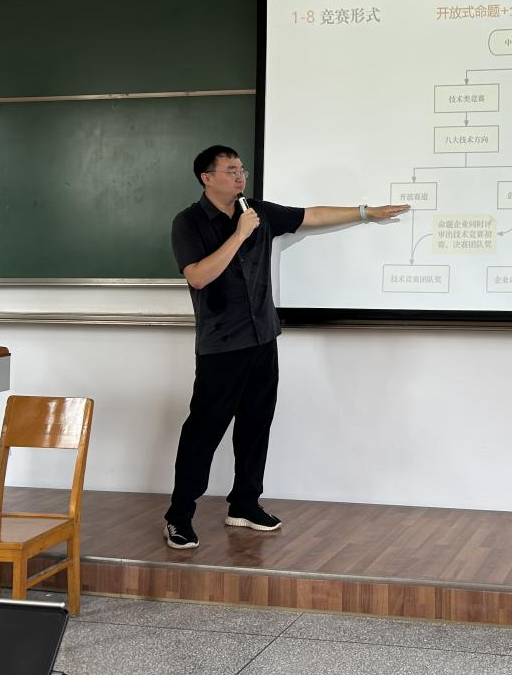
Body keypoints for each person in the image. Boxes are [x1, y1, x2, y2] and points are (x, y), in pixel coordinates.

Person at [163, 144, 408, 549]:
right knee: (203, 432)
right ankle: (178, 517)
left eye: (242, 169)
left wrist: (366, 212)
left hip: (263, 338)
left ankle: (244, 504)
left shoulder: (256, 211)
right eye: (230, 170)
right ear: (207, 178)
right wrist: (240, 235)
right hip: (222, 345)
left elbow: (311, 215)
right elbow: (199, 277)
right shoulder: (188, 222)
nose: (240, 177)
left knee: (255, 426)